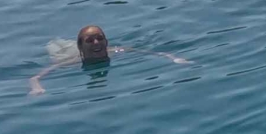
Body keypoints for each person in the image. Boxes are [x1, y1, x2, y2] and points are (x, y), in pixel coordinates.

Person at [28, 25, 190, 95]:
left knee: (61, 41)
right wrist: (36, 87)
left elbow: (151, 52)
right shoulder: (71, 62)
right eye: (90, 41)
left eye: (100, 39)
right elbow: (36, 77)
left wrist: (174, 58)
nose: (96, 43)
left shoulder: (116, 51)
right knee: (53, 43)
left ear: (106, 42)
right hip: (64, 53)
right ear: (81, 46)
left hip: (76, 47)